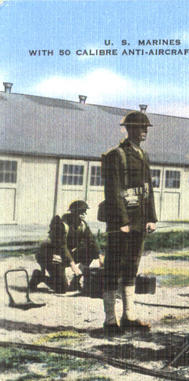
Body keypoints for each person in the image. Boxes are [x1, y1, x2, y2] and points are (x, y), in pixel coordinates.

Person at [101, 110, 157, 335]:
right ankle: (109, 319)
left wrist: (151, 217)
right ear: (129, 129)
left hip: (139, 219)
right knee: (113, 267)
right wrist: (122, 221)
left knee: (132, 266)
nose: (144, 131)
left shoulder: (143, 154)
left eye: (145, 128)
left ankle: (129, 315)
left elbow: (148, 188)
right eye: (139, 128)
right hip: (120, 219)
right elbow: (112, 190)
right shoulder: (116, 155)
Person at [30, 200, 102, 293]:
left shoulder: (82, 224)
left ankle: (75, 281)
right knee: (62, 289)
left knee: (90, 251)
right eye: (81, 212)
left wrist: (100, 255)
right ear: (73, 213)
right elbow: (62, 246)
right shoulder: (61, 224)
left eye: (85, 211)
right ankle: (39, 276)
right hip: (50, 255)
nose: (84, 214)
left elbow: (92, 240)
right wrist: (73, 266)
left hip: (64, 255)